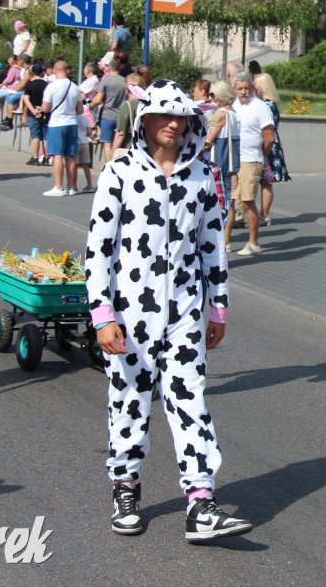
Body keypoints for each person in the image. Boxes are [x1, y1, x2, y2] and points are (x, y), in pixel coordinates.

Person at [85, 78, 250, 542]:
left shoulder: (202, 178)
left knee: (190, 402)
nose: (174, 124)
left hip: (183, 312)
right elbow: (97, 251)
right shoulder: (119, 174)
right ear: (145, 119)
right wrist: (102, 314)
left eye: (181, 116)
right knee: (129, 403)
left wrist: (218, 309)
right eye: (164, 115)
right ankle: (126, 486)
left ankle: (201, 502)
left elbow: (213, 249)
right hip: (128, 315)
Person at [230, 73, 274, 256]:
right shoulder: (233, 106)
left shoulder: (260, 107)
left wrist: (262, 156)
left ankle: (253, 242)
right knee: (230, 200)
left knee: (248, 201)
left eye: (246, 88)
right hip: (234, 160)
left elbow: (269, 137)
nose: (243, 92)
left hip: (251, 159)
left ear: (253, 88)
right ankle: (225, 241)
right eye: (239, 88)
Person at [205, 81, 239, 252]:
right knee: (228, 201)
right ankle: (226, 240)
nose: (210, 98)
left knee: (217, 202)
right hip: (231, 163)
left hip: (218, 161)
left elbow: (209, 140)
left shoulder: (221, 113)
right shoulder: (234, 113)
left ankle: (218, 240)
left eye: (212, 94)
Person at [39, 61, 83, 197]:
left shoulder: (51, 87)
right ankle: (72, 186)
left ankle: (59, 187)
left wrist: (39, 109)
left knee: (58, 155)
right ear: (68, 71)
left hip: (56, 123)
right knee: (70, 156)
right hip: (71, 123)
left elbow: (45, 108)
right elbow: (80, 110)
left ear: (53, 71)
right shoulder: (75, 87)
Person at [253, 72, 290, 226]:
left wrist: (265, 152)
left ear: (262, 85)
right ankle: (264, 214)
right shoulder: (272, 103)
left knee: (266, 181)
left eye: (255, 83)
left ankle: (264, 214)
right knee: (266, 181)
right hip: (271, 145)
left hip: (268, 146)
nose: (253, 86)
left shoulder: (267, 104)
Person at [89, 59, 126, 162]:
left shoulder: (105, 81)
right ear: (119, 68)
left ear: (109, 68)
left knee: (107, 143)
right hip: (121, 116)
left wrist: (91, 106)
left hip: (107, 116)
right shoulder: (125, 81)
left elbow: (98, 99)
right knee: (119, 144)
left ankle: (109, 167)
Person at [20, 63, 50, 166]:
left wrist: (33, 110)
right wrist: (42, 109)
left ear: (32, 72)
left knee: (35, 136)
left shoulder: (29, 85)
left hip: (33, 114)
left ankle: (35, 157)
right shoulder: (47, 85)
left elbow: (26, 99)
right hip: (44, 112)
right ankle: (46, 158)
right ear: (42, 72)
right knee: (45, 136)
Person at [112, 73, 144, 154]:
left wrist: (114, 151)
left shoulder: (128, 105)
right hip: (144, 148)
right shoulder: (146, 104)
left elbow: (121, 133)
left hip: (129, 148)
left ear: (127, 89)